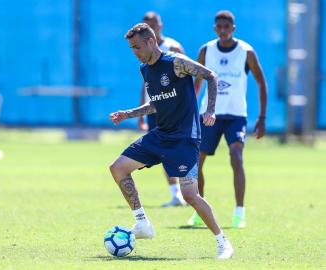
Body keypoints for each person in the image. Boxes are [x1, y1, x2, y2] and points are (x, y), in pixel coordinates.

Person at [109, 22, 233, 259]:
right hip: (160, 135)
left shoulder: (176, 62)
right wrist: (128, 114)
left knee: (190, 196)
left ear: (151, 42)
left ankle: (223, 242)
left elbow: (211, 76)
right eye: (131, 48)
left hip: (185, 139)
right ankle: (142, 223)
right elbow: (157, 103)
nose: (134, 52)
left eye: (137, 47)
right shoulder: (145, 69)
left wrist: (211, 111)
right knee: (118, 169)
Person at [188, 10, 267, 229]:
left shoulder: (246, 51)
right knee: (197, 162)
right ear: (215, 28)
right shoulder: (206, 50)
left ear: (233, 28)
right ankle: (198, 212)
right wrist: (191, 110)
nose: (223, 30)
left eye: (227, 27)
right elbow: (197, 84)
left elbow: (262, 83)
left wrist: (261, 117)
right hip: (208, 114)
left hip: (235, 115)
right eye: (219, 27)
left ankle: (239, 212)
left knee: (236, 156)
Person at [138, 11, 186, 208]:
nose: (152, 27)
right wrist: (141, 111)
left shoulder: (172, 47)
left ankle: (189, 191)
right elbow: (146, 83)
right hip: (154, 109)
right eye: (147, 24)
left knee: (180, 149)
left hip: (173, 108)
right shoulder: (145, 52)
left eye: (153, 24)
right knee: (164, 151)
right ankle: (175, 194)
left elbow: (187, 75)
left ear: (160, 25)